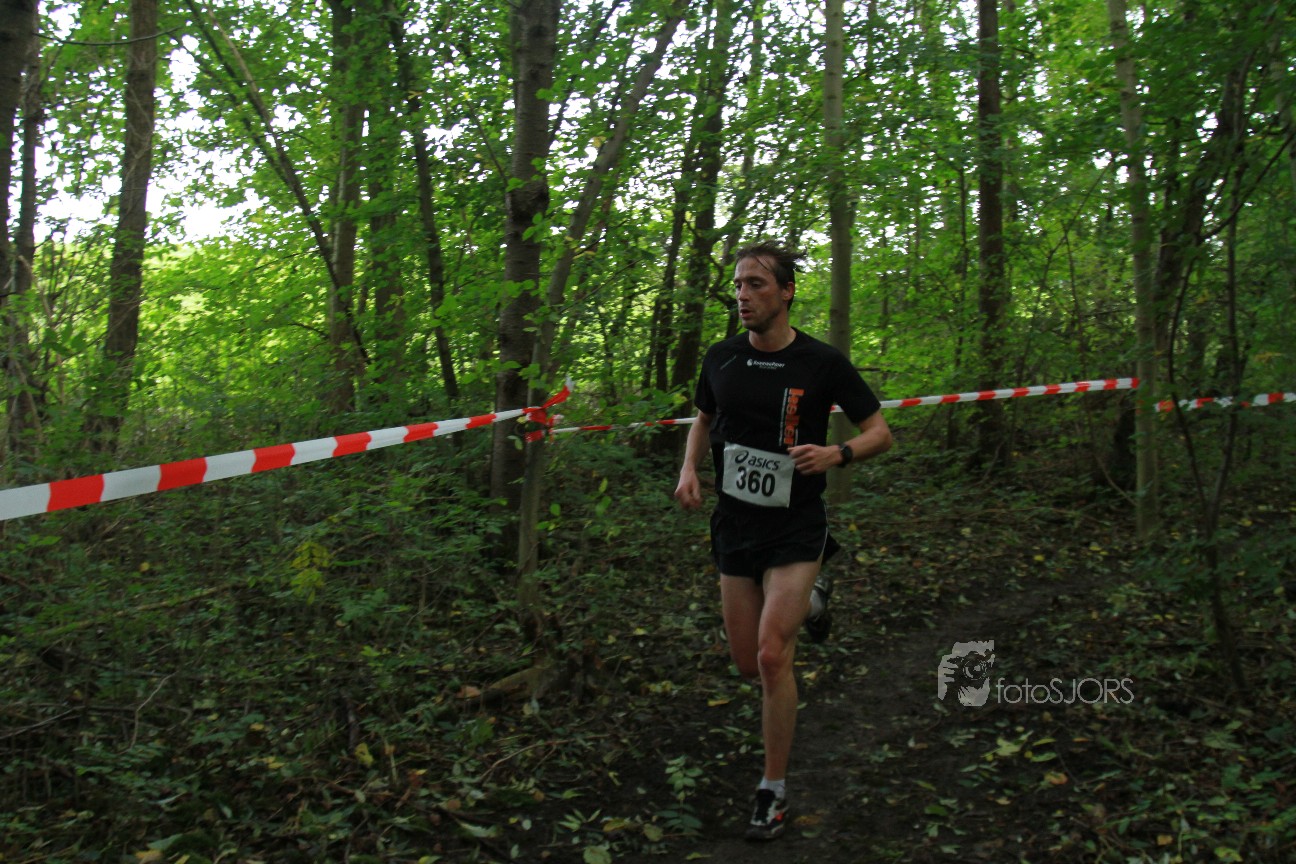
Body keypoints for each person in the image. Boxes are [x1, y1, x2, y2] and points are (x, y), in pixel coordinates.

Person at [674, 240, 892, 841]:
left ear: (787, 291)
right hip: (735, 525)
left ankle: (772, 788)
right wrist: (689, 469)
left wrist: (838, 452)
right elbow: (703, 419)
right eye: (738, 285)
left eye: (756, 284)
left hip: (796, 524)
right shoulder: (721, 357)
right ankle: (814, 602)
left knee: (774, 657)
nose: (743, 295)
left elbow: (880, 432)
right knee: (747, 663)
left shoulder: (822, 362)